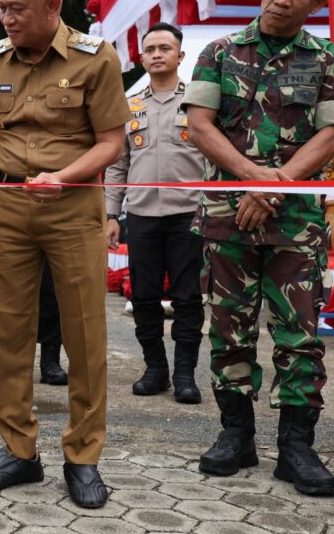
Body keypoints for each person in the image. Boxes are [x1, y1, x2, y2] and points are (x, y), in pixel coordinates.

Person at [182, 0, 334, 497]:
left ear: (316, 1)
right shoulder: (217, 52)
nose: (285, 0)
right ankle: (235, 435)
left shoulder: (328, 58)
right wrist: (252, 180)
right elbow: (200, 124)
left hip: (295, 222)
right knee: (229, 327)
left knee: (299, 335)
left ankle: (297, 448)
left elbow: (333, 133)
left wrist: (272, 189)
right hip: (226, 215)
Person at [0, 0, 129, 508]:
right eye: (1, 8)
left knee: (85, 335)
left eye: (17, 8)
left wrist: (65, 175)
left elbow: (111, 141)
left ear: (53, 4)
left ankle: (83, 456)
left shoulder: (96, 58)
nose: (6, 18)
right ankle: (18, 451)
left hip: (72, 208)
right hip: (8, 207)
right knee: (10, 333)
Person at [104, 22, 205, 404]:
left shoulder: (199, 101)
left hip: (188, 215)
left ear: (180, 56)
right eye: (151, 49)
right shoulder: (128, 106)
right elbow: (116, 164)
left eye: (166, 48)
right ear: (141, 57)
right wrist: (111, 214)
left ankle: (184, 375)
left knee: (187, 298)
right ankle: (155, 369)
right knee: (143, 296)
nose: (158, 54)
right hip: (142, 214)